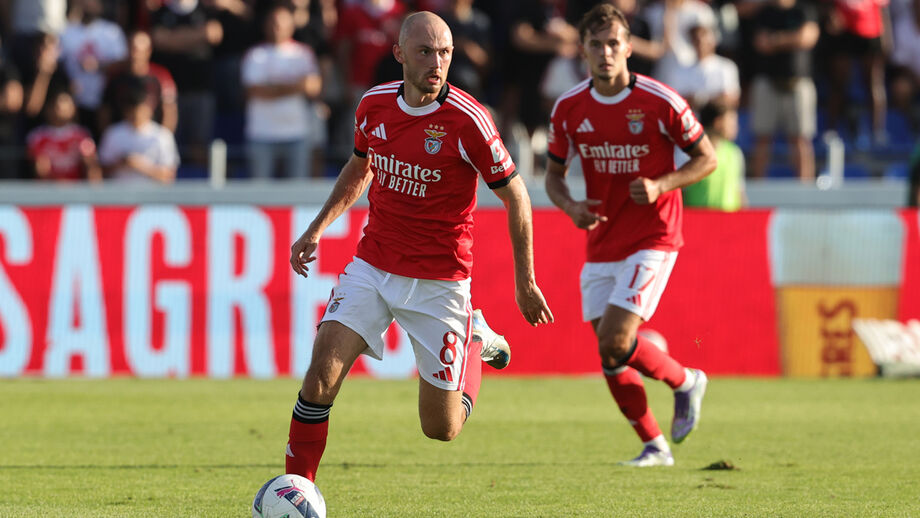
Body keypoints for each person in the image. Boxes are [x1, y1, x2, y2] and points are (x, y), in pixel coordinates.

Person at [285, 11, 554, 482]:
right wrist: (317, 228)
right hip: (373, 265)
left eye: (445, 52)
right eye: (426, 51)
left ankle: (473, 338)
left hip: (440, 281)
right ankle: (298, 493)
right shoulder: (373, 105)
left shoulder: (469, 119)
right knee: (319, 378)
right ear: (400, 54)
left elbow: (517, 196)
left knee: (441, 428)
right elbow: (359, 167)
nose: (437, 62)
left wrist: (525, 281)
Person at [544, 4, 716, 467]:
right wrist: (571, 206)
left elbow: (707, 158)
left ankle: (685, 380)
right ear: (582, 49)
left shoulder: (661, 100)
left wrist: (662, 184)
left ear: (628, 47)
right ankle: (655, 445)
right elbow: (553, 177)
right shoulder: (568, 108)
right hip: (602, 239)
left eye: (614, 43)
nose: (606, 52)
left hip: (655, 235)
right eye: (596, 44)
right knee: (611, 356)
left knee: (616, 342)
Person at [241, 4, 321, 179]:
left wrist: (273, 87)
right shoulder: (255, 55)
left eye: (282, 24)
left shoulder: (303, 53)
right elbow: (254, 91)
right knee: (259, 192)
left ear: (291, 26)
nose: (277, 28)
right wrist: (295, 86)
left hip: (297, 133)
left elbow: (313, 87)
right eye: (274, 23)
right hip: (262, 133)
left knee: (298, 191)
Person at [747, 0, 819, 181]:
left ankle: (805, 187)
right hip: (768, 82)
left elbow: (807, 38)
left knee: (801, 139)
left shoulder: (805, 9)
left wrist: (776, 40)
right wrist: (791, 38)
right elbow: (761, 43)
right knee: (762, 138)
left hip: (798, 82)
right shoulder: (765, 12)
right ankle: (758, 187)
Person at [100, 30, 179, 134]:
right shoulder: (115, 76)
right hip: (121, 134)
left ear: (148, 51)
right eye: (131, 48)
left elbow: (169, 111)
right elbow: (105, 111)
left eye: (137, 50)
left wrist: (163, 137)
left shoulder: (161, 76)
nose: (134, 54)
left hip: (151, 136)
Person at [98, 83, 179, 183]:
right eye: (132, 111)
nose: (136, 115)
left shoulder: (163, 136)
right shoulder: (113, 133)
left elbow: (168, 176)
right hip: (118, 196)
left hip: (153, 196)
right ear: (125, 111)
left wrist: (139, 165)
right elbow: (99, 171)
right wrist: (121, 163)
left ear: (149, 110)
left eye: (140, 110)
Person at [26, 90, 102, 182]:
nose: (62, 108)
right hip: (48, 190)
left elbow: (92, 166)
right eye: (57, 104)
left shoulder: (82, 136)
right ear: (48, 109)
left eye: (66, 104)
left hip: (77, 190)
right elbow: (39, 170)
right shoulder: (37, 136)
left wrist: (94, 192)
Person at [682, 100, 746, 210]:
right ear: (718, 122)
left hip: (728, 223)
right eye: (731, 121)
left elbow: (739, 192)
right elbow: (681, 194)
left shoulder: (735, 153)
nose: (736, 127)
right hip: (697, 223)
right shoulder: (688, 154)